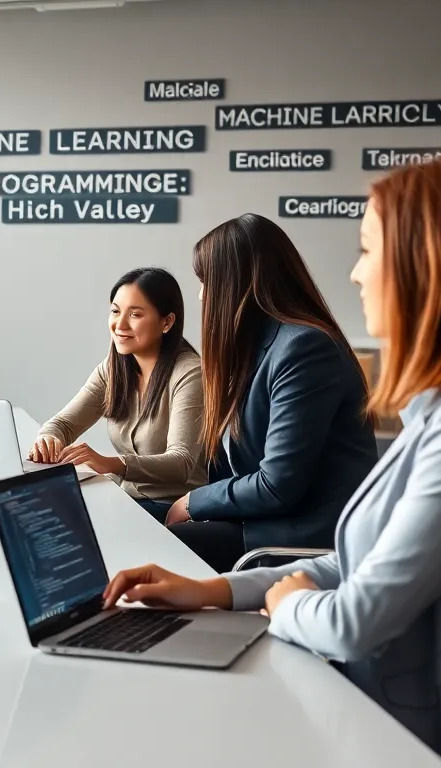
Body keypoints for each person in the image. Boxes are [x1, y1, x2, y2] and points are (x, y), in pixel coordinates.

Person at [103, 155, 441, 768]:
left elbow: (355, 615)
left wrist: (285, 603)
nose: (356, 275)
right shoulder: (435, 413)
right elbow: (353, 564)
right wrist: (215, 592)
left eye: (367, 249)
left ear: (427, 267)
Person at [160, 214, 376, 572]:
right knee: (135, 516)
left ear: (236, 283)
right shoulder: (259, 347)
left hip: (298, 536)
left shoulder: (304, 348)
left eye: (206, 281)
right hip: (262, 521)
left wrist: (193, 502)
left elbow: (277, 485)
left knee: (155, 546)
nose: (201, 295)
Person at [29, 267, 205, 519]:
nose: (120, 324)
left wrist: (112, 463)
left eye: (135, 314)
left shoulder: (190, 373)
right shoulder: (113, 369)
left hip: (172, 507)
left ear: (167, 322)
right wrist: (48, 438)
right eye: (115, 311)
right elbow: (64, 424)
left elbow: (182, 462)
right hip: (125, 497)